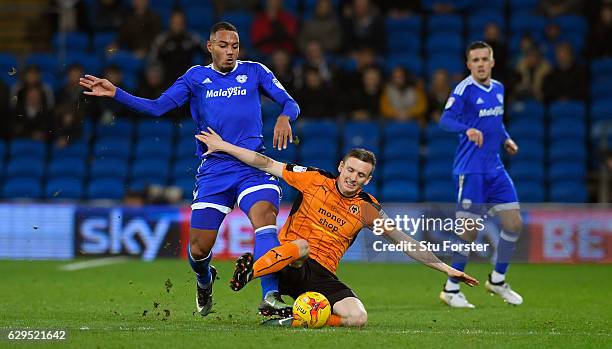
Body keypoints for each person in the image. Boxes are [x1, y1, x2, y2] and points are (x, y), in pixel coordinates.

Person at [79, 22, 300, 317]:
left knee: (266, 220)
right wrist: (117, 93)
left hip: (252, 166)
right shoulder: (196, 78)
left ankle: (270, 297)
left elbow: (290, 102)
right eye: (223, 45)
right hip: (215, 171)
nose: (230, 52)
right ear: (210, 47)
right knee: (198, 249)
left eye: (234, 46)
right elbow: (157, 107)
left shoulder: (256, 71)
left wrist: (285, 117)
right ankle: (204, 278)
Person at [194, 129, 479, 327]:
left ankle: (294, 319)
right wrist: (224, 146)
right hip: (288, 260)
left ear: (368, 180)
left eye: (361, 175)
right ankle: (250, 273)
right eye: (351, 170)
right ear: (341, 166)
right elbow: (266, 163)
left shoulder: (368, 208)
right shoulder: (314, 180)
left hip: (320, 275)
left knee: (358, 317)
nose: (354, 178)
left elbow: (404, 241)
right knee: (302, 246)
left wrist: (446, 269)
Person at [438, 41, 524, 308]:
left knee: (513, 223)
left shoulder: (498, 88)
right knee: (469, 230)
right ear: (468, 64)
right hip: (470, 169)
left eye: (485, 59)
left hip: (495, 168)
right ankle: (451, 288)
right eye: (475, 60)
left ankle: (497, 280)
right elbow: (445, 120)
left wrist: (506, 139)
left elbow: (494, 121)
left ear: (493, 61)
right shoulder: (463, 89)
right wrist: (467, 130)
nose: (481, 64)